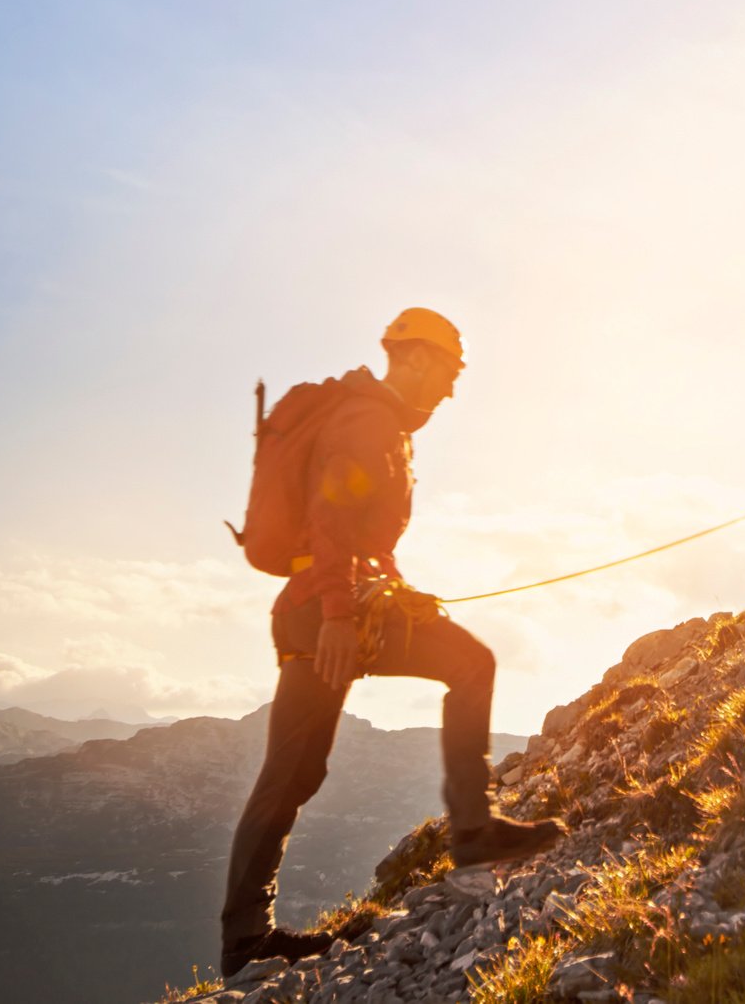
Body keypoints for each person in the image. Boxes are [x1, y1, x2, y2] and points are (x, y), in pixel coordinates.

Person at [220, 307, 564, 977]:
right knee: (467, 666)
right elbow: (330, 514)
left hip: (327, 607)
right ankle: (471, 832)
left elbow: (357, 535)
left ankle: (246, 938)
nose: (452, 387)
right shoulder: (368, 418)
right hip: (326, 613)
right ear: (410, 357)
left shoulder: (380, 422)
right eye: (448, 369)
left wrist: (387, 590)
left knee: (296, 771)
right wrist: (340, 617)